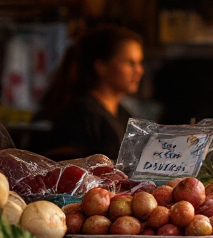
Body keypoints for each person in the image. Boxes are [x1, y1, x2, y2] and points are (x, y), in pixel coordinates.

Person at [37, 26, 143, 159]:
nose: (139, 71)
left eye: (139, 63)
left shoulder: (123, 114)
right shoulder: (81, 115)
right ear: (101, 67)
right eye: (129, 63)